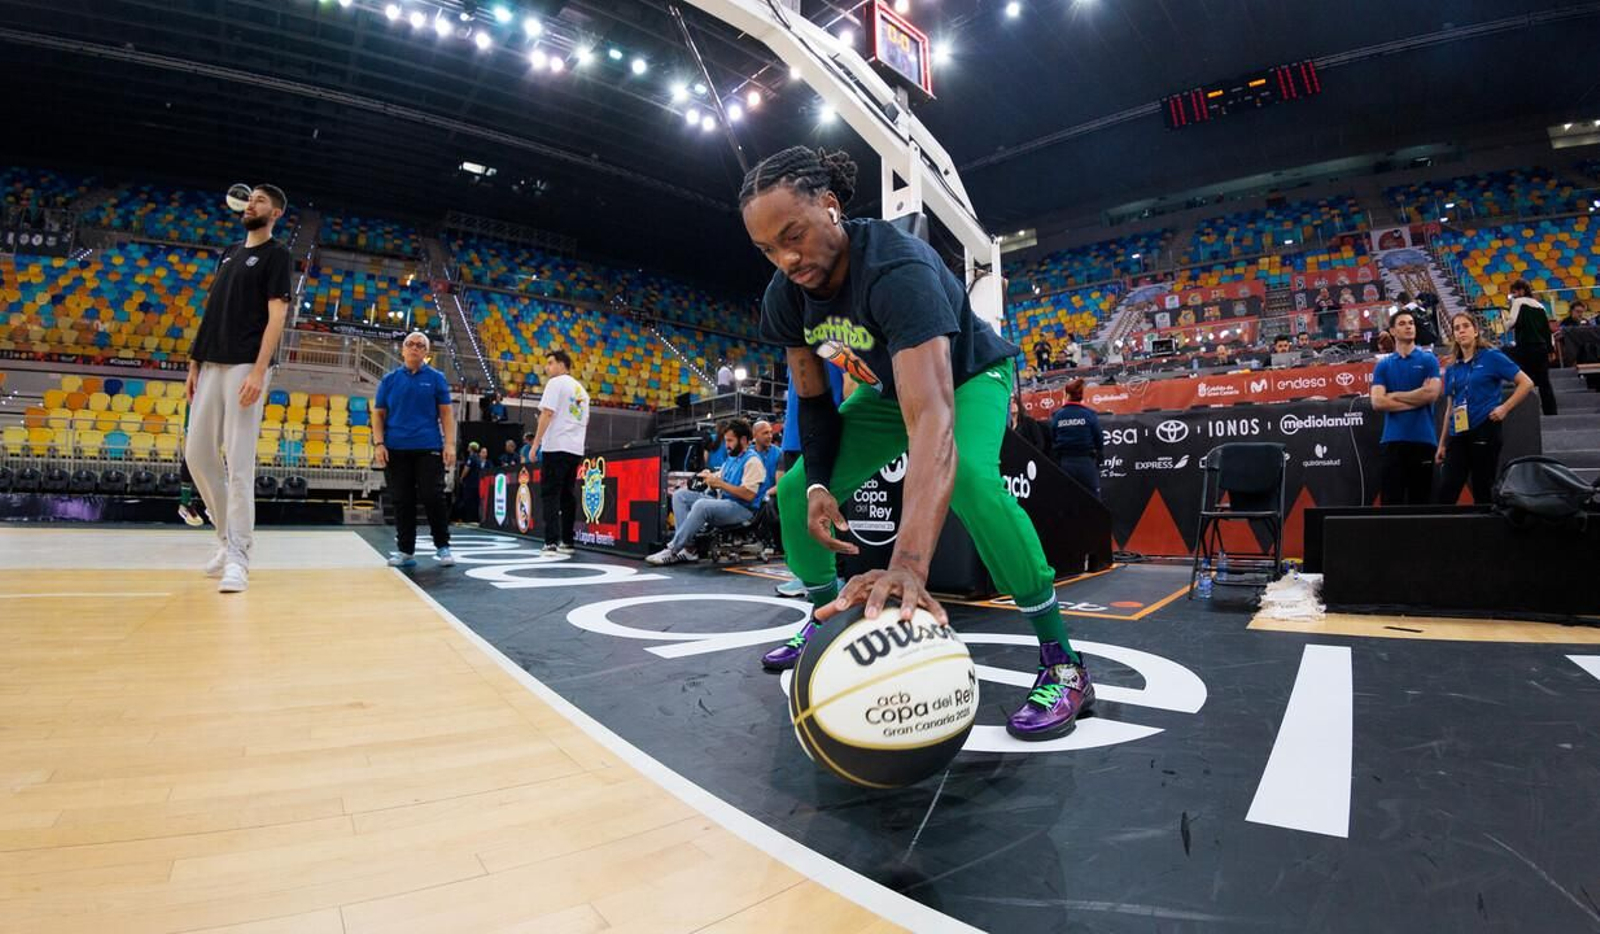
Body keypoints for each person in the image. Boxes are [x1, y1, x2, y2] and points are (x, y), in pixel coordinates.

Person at [741, 146, 1092, 740]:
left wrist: (906, 566)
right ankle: (823, 620)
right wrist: (825, 483)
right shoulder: (786, 294)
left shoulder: (895, 267)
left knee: (975, 481)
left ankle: (1063, 661)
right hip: (884, 393)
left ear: (830, 207)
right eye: (768, 249)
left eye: (793, 235)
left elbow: (932, 418)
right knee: (799, 488)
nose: (786, 257)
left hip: (968, 376)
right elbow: (816, 402)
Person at [184, 183, 292, 594]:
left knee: (240, 463)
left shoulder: (277, 254)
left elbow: (277, 315)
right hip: (211, 362)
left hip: (246, 364)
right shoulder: (228, 253)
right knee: (197, 455)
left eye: (261, 201)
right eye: (251, 200)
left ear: (276, 213)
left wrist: (259, 370)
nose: (252, 204)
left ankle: (239, 559)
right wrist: (195, 362)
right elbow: (212, 310)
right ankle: (226, 539)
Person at [373, 332, 457, 568]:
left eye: (420, 345)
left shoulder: (437, 378)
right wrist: (379, 443)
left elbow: (446, 413)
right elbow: (378, 414)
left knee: (433, 497)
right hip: (395, 449)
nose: (414, 348)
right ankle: (405, 551)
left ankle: (443, 546)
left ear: (426, 352)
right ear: (402, 350)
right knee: (402, 500)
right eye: (410, 344)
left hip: (428, 447)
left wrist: (449, 444)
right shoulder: (389, 380)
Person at [1435, 312, 1534, 504]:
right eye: (1457, 328)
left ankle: (1485, 532)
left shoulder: (1492, 357)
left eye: (1466, 326)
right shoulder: (1452, 368)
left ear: (1475, 331)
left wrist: (1504, 408)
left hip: (1484, 429)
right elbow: (1449, 409)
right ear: (1453, 335)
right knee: (1447, 489)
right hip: (1458, 434)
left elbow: (1526, 383)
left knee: (1483, 488)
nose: (1461, 331)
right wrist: (1442, 443)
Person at [647, 418, 770, 565]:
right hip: (726, 502)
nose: (727, 445)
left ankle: (673, 549)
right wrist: (709, 476)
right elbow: (721, 477)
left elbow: (749, 495)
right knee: (680, 496)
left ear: (743, 440)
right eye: (726, 441)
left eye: (730, 441)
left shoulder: (753, 461)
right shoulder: (732, 458)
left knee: (702, 505)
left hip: (743, 509)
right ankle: (689, 549)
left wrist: (720, 483)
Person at [1370, 309, 1441, 506]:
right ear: (1392, 331)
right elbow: (1377, 402)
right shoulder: (1383, 366)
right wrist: (1417, 397)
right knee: (1392, 505)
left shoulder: (1428, 360)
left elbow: (1431, 394)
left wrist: (1394, 396)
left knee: (1422, 504)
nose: (1409, 326)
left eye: (1411, 323)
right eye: (1402, 323)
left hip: (1423, 440)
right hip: (1393, 441)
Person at [529, 349, 590, 555]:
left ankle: (551, 542)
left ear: (562, 364)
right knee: (567, 495)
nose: (547, 367)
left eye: (550, 363)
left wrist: (535, 444)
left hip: (556, 446)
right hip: (575, 449)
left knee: (551, 494)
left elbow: (546, 413)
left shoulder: (556, 383)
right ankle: (568, 541)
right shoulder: (582, 390)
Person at [1504, 280, 1557, 416]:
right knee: (1545, 383)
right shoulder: (1540, 306)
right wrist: (1551, 350)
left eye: (1514, 292)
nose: (1514, 295)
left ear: (1521, 291)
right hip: (1541, 348)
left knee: (1524, 382)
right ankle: (1551, 412)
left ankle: (1526, 414)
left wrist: (1504, 322)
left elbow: (1511, 322)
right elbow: (1546, 331)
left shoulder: (1518, 302)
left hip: (1526, 347)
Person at [1049, 379, 1104, 500]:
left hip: (1065, 464)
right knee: (1094, 503)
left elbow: (1052, 438)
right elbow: (1099, 439)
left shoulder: (1057, 416)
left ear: (1067, 395)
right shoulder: (1089, 414)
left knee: (1067, 501)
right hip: (1086, 464)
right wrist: (1098, 458)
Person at [455, 441, 483, 522]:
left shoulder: (471, 458)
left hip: (470, 483)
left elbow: (466, 469)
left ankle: (468, 518)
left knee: (468, 501)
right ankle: (474, 518)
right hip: (477, 483)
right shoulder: (478, 458)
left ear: (471, 448)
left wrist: (461, 478)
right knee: (475, 501)